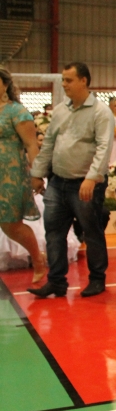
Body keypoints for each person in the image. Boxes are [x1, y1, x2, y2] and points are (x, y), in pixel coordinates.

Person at [29, 62, 114, 298]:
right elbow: (48, 143)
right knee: (53, 233)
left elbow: (104, 147)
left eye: (69, 80)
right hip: (57, 182)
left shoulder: (100, 112)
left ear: (84, 81)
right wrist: (37, 173)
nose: (64, 84)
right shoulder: (60, 111)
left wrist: (92, 178)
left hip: (85, 184)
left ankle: (97, 279)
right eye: (63, 80)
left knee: (91, 232)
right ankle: (56, 282)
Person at [0, 69, 47, 282]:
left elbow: (31, 145)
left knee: (11, 224)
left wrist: (36, 174)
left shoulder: (17, 111)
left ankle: (37, 259)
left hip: (10, 175)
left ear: (5, 85)